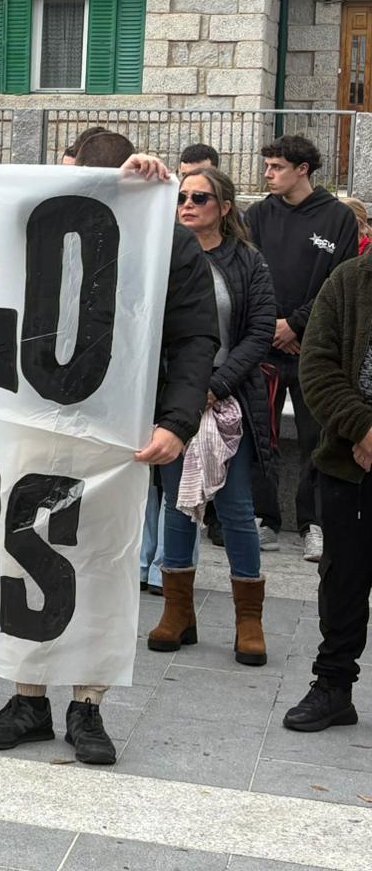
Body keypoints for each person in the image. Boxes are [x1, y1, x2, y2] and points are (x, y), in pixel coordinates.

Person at [0, 134, 218, 766]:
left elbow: (195, 337)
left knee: (104, 560)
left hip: (120, 428)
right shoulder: (36, 217)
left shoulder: (168, 236)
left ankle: (88, 704)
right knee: (22, 547)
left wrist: (178, 421)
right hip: (36, 414)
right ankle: (28, 697)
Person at [147, 167, 275, 667]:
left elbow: (260, 331)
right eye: (181, 196)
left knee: (238, 509)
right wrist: (180, 393)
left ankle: (250, 620)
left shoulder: (248, 262)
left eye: (200, 197)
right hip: (174, 400)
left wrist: (214, 387)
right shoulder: (163, 253)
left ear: (224, 207)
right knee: (178, 505)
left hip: (229, 401)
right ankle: (178, 612)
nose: (188, 203)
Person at [247, 135, 358, 562]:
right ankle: (263, 519)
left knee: (317, 438)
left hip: (314, 353)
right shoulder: (257, 215)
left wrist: (294, 326)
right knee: (262, 437)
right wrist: (271, 328)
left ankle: (316, 524)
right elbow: (249, 275)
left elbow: (339, 284)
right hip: (264, 347)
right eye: (267, 166)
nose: (268, 174)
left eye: (276, 167)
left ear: (302, 170)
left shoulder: (337, 218)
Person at [289, 229, 372, 732]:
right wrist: (362, 428)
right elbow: (315, 366)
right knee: (343, 581)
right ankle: (333, 687)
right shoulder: (349, 281)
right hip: (350, 465)